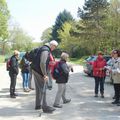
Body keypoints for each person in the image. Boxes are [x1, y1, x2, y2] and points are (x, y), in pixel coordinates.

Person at [32, 40, 58, 113]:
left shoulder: (43, 48)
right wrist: (45, 74)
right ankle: (45, 106)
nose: (54, 48)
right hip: (39, 71)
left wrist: (49, 62)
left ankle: (38, 105)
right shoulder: (46, 50)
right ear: (52, 45)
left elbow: (44, 61)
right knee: (43, 88)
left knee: (38, 88)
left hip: (35, 69)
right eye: (55, 47)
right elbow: (42, 63)